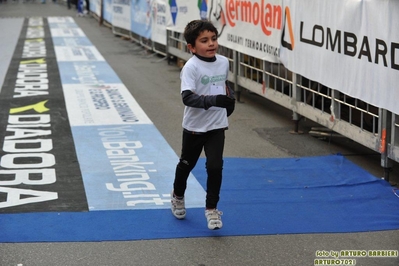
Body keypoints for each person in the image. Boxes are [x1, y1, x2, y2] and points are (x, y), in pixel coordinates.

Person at [171, 20, 235, 230]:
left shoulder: (224, 62)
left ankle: (211, 209)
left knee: (215, 166)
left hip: (217, 125)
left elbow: (223, 84)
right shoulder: (191, 67)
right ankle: (178, 195)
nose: (211, 44)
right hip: (194, 127)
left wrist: (229, 98)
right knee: (187, 165)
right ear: (191, 47)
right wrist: (213, 101)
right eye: (204, 41)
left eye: (214, 39)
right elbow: (187, 98)